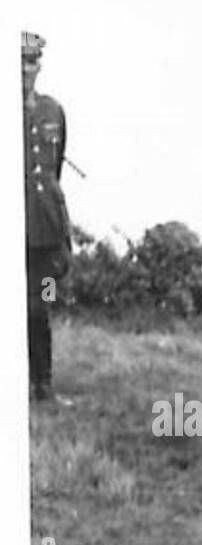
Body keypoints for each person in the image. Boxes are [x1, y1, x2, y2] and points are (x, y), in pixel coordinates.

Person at [23, 31, 71, 405]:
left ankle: (44, 385)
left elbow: (53, 176)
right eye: (21, 61)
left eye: (32, 61)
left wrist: (63, 238)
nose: (27, 69)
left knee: (44, 304)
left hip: (47, 237)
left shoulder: (52, 110)